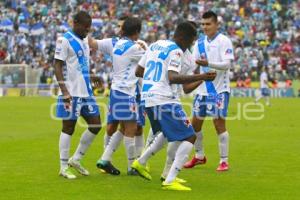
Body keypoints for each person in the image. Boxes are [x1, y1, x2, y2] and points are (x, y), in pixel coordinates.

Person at [131, 21, 216, 191]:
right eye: (191, 42)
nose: (190, 46)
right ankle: (170, 179)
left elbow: (138, 72)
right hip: (164, 99)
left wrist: (155, 80)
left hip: (148, 98)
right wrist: (203, 77)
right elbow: (172, 77)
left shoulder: (156, 45)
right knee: (190, 136)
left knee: (165, 133)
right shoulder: (176, 50)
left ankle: (141, 162)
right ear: (183, 37)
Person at [90, 17, 146, 175]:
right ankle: (131, 167)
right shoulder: (135, 48)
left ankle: (105, 158)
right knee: (131, 129)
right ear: (136, 32)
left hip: (115, 92)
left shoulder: (115, 43)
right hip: (127, 93)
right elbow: (149, 62)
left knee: (121, 128)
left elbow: (93, 43)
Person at [183, 11, 234, 172]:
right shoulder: (199, 43)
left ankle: (224, 161)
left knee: (218, 124)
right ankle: (199, 156)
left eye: (208, 24)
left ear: (216, 24)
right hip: (202, 90)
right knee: (195, 125)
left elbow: (226, 65)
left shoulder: (224, 41)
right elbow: (193, 65)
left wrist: (209, 63)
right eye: (203, 24)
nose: (205, 27)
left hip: (219, 90)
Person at [54, 11, 102, 179]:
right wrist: (65, 91)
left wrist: (92, 75)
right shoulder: (64, 40)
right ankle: (63, 166)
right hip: (71, 92)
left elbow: (82, 64)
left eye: (89, 29)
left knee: (96, 125)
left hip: (85, 91)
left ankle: (76, 159)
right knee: (68, 128)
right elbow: (57, 65)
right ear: (75, 23)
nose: (87, 31)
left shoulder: (83, 41)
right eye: (85, 28)